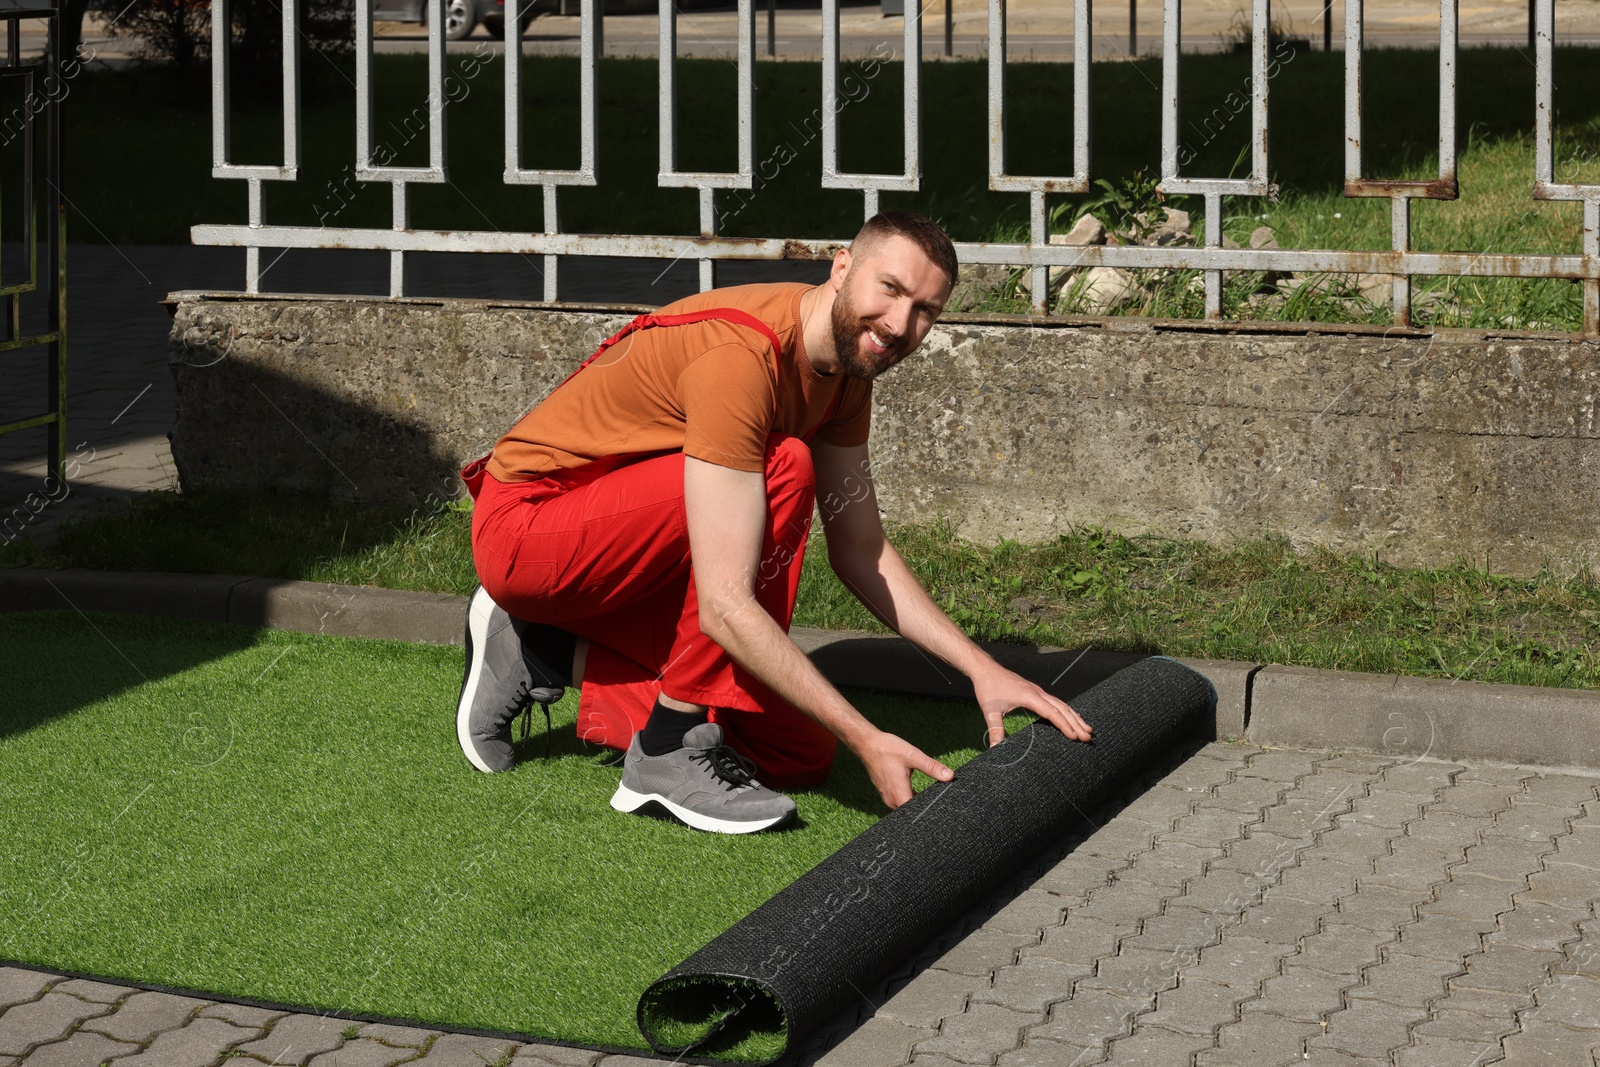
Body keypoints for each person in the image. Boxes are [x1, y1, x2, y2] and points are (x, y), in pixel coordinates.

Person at [455, 210, 1092, 834]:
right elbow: (726, 605)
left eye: (925, 310)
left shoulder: (847, 372)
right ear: (842, 268)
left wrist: (983, 669)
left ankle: (543, 650)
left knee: (802, 752)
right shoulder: (742, 354)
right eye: (890, 289)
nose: (900, 324)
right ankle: (666, 750)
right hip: (529, 531)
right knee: (785, 466)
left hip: (633, 549)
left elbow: (861, 548)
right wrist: (868, 737)